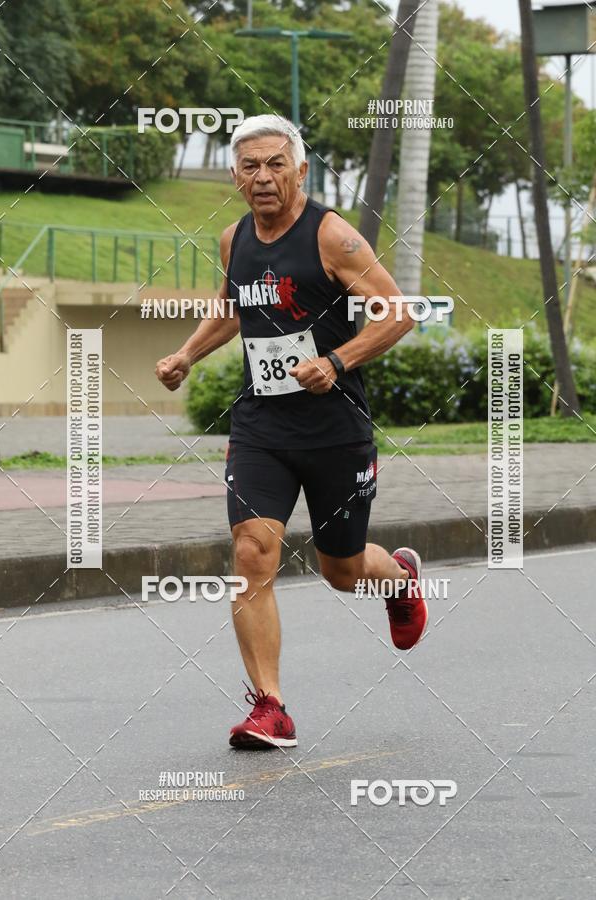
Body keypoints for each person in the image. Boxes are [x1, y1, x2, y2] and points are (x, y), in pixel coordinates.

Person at [155, 114, 428, 750]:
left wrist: (336, 363)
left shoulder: (332, 236)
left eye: (276, 164)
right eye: (250, 166)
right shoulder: (233, 240)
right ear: (235, 175)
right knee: (252, 553)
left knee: (342, 568)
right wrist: (187, 355)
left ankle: (401, 580)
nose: (264, 177)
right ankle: (270, 707)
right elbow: (232, 309)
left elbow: (398, 313)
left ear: (300, 170)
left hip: (335, 430)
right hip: (261, 427)